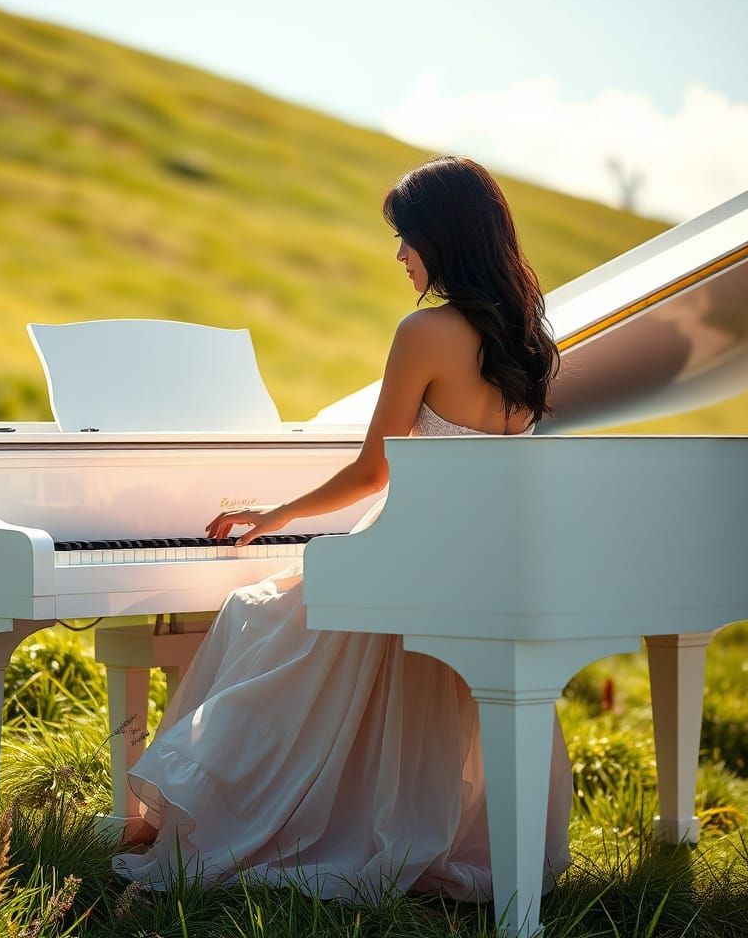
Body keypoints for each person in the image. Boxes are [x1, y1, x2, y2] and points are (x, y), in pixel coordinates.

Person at [111, 155, 571, 905]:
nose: (399, 254)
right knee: (287, 622)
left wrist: (275, 516)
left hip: (409, 561)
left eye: (406, 237)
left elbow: (372, 472)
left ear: (442, 238)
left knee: (250, 614)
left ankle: (204, 823)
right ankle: (365, 828)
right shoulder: (528, 339)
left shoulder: (425, 331)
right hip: (483, 567)